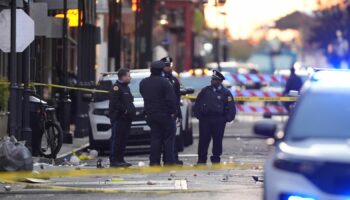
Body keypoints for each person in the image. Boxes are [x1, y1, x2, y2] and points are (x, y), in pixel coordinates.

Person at [139, 61, 178, 166]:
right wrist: (173, 112)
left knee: (155, 138)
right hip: (165, 115)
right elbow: (171, 99)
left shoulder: (143, 82)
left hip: (151, 114)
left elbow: (143, 94)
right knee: (168, 139)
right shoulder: (165, 82)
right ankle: (169, 161)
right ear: (161, 71)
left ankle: (154, 162)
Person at [194, 70, 236, 165]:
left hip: (219, 120)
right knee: (203, 140)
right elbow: (197, 103)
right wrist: (199, 115)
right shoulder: (205, 91)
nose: (213, 81)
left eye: (215, 80)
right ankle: (201, 159)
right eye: (212, 79)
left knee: (217, 140)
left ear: (220, 81)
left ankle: (216, 159)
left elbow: (231, 106)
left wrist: (227, 118)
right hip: (206, 119)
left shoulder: (225, 92)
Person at [108, 68, 136, 167]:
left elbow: (129, 100)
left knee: (123, 140)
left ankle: (120, 159)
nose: (130, 77)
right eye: (128, 75)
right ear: (123, 77)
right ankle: (114, 160)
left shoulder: (125, 87)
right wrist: (125, 110)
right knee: (117, 139)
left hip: (126, 118)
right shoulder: (116, 87)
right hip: (119, 118)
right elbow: (115, 103)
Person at [160, 56, 183, 165]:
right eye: (167, 66)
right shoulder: (159, 79)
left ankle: (173, 157)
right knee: (164, 137)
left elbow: (177, 97)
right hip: (163, 112)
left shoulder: (174, 79)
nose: (169, 68)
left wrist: (178, 112)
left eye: (170, 66)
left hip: (173, 112)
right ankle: (167, 158)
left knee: (173, 137)